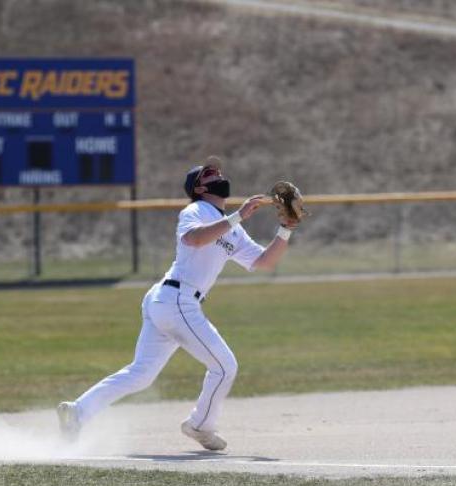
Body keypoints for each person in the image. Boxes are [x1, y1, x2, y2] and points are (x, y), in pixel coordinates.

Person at [57, 156, 299, 451]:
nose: (219, 174)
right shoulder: (196, 210)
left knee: (141, 374)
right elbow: (194, 240)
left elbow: (265, 261)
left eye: (219, 171)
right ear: (198, 187)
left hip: (167, 301)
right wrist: (237, 215)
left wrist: (285, 228)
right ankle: (200, 425)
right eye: (211, 173)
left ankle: (77, 412)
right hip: (177, 300)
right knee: (224, 366)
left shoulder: (232, 231)